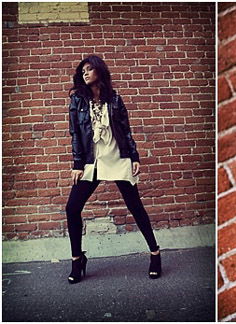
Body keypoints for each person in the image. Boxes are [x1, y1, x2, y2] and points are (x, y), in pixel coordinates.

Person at [66, 55, 161, 283]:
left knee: (135, 206)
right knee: (72, 208)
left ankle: (155, 254)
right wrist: (78, 164)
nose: (85, 73)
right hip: (92, 161)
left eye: (89, 69)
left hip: (117, 158)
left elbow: (125, 130)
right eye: (82, 71)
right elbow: (75, 134)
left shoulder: (115, 99)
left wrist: (133, 156)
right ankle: (77, 260)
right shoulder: (78, 100)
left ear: (99, 71)